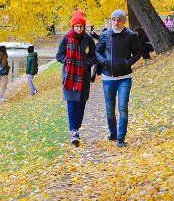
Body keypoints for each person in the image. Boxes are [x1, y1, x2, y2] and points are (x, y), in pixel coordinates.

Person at [95, 9, 142, 148]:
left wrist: (127, 63)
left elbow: (138, 53)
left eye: (119, 19)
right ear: (111, 20)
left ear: (124, 21)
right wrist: (103, 61)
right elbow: (97, 51)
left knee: (122, 107)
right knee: (110, 109)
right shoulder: (105, 35)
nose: (116, 22)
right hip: (108, 77)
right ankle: (113, 133)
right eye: (114, 19)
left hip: (124, 78)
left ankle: (121, 138)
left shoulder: (131, 36)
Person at [56, 10, 96, 147]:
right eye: (76, 26)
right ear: (72, 26)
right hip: (70, 76)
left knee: (81, 104)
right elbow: (59, 55)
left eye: (81, 26)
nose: (78, 28)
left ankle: (76, 127)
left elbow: (94, 55)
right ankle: (73, 131)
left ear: (84, 27)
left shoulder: (88, 39)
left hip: (83, 76)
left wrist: (88, 63)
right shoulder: (66, 38)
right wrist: (68, 61)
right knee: (72, 105)